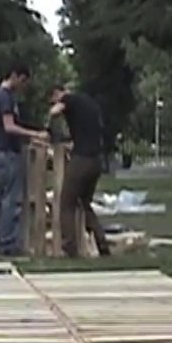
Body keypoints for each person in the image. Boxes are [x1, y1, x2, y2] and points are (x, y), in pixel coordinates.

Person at [0, 65, 50, 256]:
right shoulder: (4, 97)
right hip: (8, 154)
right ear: (14, 76)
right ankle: (8, 244)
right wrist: (35, 135)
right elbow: (9, 127)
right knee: (11, 200)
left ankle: (1, 240)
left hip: (1, 154)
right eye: (23, 81)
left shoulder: (1, 96)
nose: (23, 86)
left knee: (2, 198)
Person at [48, 84, 111, 257]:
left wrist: (48, 126)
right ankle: (102, 243)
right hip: (96, 160)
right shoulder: (90, 103)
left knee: (66, 202)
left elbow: (55, 112)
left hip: (82, 160)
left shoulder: (68, 99)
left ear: (57, 94)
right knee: (85, 203)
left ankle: (70, 247)